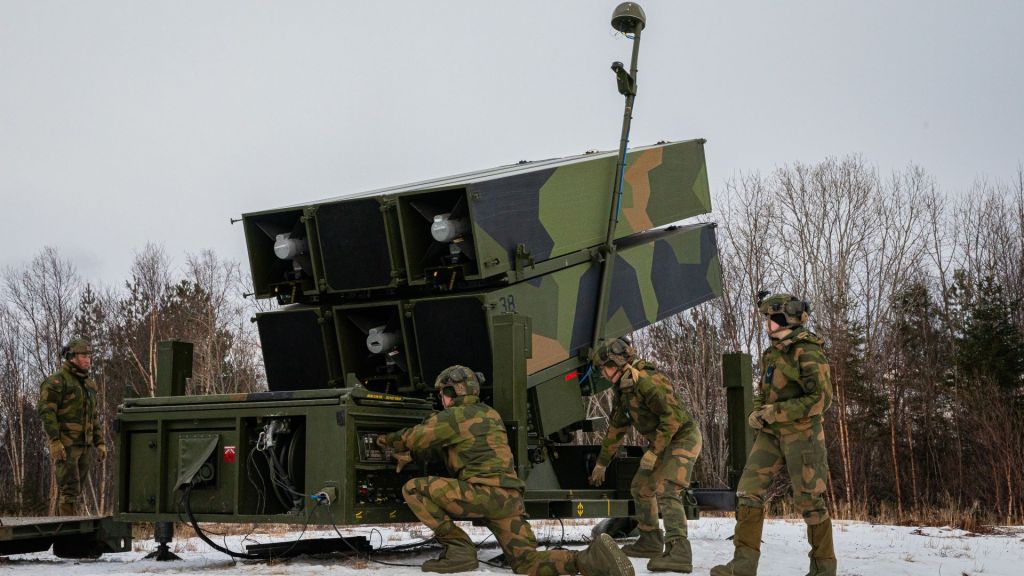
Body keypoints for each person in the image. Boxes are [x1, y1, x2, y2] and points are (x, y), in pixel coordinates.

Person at [377, 365, 634, 576]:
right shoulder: (490, 414)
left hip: (482, 496)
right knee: (527, 562)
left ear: (451, 392)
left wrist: (384, 441)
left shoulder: (454, 416)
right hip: (508, 499)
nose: (440, 400)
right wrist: (412, 454)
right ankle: (591, 560)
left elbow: (413, 437)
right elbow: (453, 447)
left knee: (413, 489)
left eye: (442, 394)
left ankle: (459, 550)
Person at [711, 293, 836, 576]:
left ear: (783, 319)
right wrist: (758, 412)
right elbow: (763, 391)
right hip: (770, 435)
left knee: (810, 502)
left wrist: (775, 412)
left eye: (771, 319)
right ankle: (743, 565)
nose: (767, 324)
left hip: (802, 436)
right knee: (748, 491)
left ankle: (823, 570)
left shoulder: (808, 350)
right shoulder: (774, 351)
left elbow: (821, 400)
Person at [587, 338, 703, 573]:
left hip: (683, 438)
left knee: (669, 490)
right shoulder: (624, 389)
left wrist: (654, 452)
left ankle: (679, 552)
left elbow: (672, 419)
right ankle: (650, 541)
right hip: (663, 443)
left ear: (618, 362)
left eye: (605, 367)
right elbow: (616, 429)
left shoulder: (649, 381)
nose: (603, 373)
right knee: (641, 487)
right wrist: (601, 463)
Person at [38, 337, 107, 516]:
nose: (88, 359)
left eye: (90, 355)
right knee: (68, 491)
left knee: (76, 492)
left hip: (84, 445)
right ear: (71, 357)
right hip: (66, 445)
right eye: (83, 355)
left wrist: (99, 443)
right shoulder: (57, 382)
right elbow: (47, 412)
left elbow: (94, 416)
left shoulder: (89, 385)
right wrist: (54, 440)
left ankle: (67, 532)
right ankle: (67, 538)